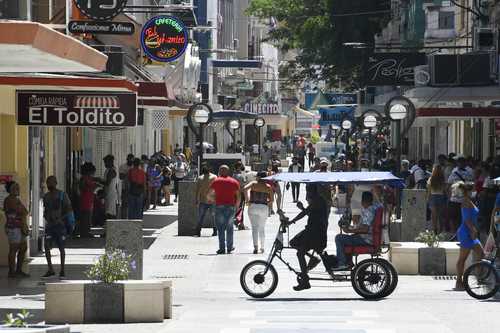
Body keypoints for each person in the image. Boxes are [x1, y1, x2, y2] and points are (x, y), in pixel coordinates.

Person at [286, 185, 329, 291]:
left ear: (311, 192)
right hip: (311, 231)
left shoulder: (318, 200)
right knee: (293, 242)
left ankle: (305, 281)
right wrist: (302, 209)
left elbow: (305, 213)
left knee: (300, 253)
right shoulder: (317, 200)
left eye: (307, 192)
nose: (307, 196)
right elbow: (311, 213)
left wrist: (292, 221)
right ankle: (313, 259)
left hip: (315, 233)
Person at [335, 191, 381, 271]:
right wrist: (352, 228)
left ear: (363, 201)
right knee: (346, 238)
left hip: (365, 239)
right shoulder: (374, 208)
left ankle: (342, 263)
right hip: (367, 237)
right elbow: (363, 226)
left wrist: (349, 231)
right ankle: (348, 262)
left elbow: (365, 229)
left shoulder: (368, 211)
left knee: (339, 238)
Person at [454, 182, 483, 291]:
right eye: (474, 189)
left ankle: (478, 277)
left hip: (470, 232)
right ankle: (458, 282)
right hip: (467, 232)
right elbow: (467, 219)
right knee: (462, 258)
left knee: (481, 253)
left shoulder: (469, 201)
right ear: (469, 191)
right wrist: (473, 230)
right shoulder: (466, 201)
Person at [43, 176, 73, 278]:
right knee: (46, 246)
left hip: (60, 226)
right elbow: (45, 211)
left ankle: (62, 269)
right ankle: (50, 269)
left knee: (61, 247)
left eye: (51, 182)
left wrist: (61, 218)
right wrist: (47, 217)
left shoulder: (62, 195)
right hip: (50, 226)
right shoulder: (46, 197)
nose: (49, 184)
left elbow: (69, 209)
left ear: (56, 183)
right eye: (48, 182)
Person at [208, 165, 241, 254]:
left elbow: (209, 195)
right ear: (228, 171)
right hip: (231, 207)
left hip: (219, 207)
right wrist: (236, 207)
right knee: (230, 228)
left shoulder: (216, 181)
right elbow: (238, 196)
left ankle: (222, 248)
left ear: (219, 171)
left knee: (221, 229)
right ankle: (229, 247)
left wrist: (214, 200)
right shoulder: (234, 182)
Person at [3, 181, 29, 278]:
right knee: (13, 249)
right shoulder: (9, 200)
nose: (17, 189)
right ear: (9, 190)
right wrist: (22, 210)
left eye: (17, 187)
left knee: (23, 247)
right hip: (13, 228)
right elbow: (21, 211)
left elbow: (25, 211)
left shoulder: (17, 199)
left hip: (20, 227)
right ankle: (11, 271)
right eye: (14, 187)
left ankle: (19, 270)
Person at [244, 171, 274, 254]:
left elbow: (245, 189)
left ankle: (255, 247)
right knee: (262, 228)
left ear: (258, 177)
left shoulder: (253, 184)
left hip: (253, 206)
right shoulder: (268, 187)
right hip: (263, 207)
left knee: (254, 228)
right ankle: (262, 247)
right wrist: (266, 203)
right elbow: (272, 200)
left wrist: (247, 201)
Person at [447, 156, 474, 234]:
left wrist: (449, 197)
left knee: (455, 218)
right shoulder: (469, 174)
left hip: (457, 200)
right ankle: (457, 233)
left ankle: (455, 233)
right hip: (461, 200)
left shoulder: (455, 173)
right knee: (459, 218)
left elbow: (448, 186)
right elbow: (472, 186)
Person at [195, 165, 217, 237]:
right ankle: (215, 231)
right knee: (213, 216)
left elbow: (198, 190)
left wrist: (196, 199)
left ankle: (198, 231)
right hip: (212, 200)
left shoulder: (200, 178)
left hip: (203, 200)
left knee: (201, 217)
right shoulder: (214, 177)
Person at [427, 165, 447, 233]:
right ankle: (441, 229)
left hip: (433, 196)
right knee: (440, 215)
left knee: (434, 215)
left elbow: (429, 190)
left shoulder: (431, 178)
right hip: (441, 196)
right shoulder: (443, 179)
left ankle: (435, 229)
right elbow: (444, 189)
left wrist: (428, 198)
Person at [79, 162, 98, 238]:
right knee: (85, 216)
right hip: (85, 199)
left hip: (89, 198)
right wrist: (92, 187)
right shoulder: (84, 179)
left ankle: (86, 231)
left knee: (88, 216)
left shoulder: (88, 178)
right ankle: (84, 232)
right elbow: (82, 187)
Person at [119, 154, 134, 219]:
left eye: (132, 160)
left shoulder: (135, 167)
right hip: (125, 187)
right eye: (129, 159)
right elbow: (121, 177)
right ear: (127, 159)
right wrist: (128, 173)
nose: (130, 161)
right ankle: (123, 217)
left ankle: (131, 217)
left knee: (132, 204)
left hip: (133, 188)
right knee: (124, 203)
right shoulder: (122, 166)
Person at [103, 155, 118, 219]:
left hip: (111, 194)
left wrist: (97, 180)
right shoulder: (107, 170)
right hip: (108, 193)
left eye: (106, 162)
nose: (105, 164)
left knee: (110, 212)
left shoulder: (112, 171)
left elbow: (107, 182)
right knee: (108, 211)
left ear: (110, 162)